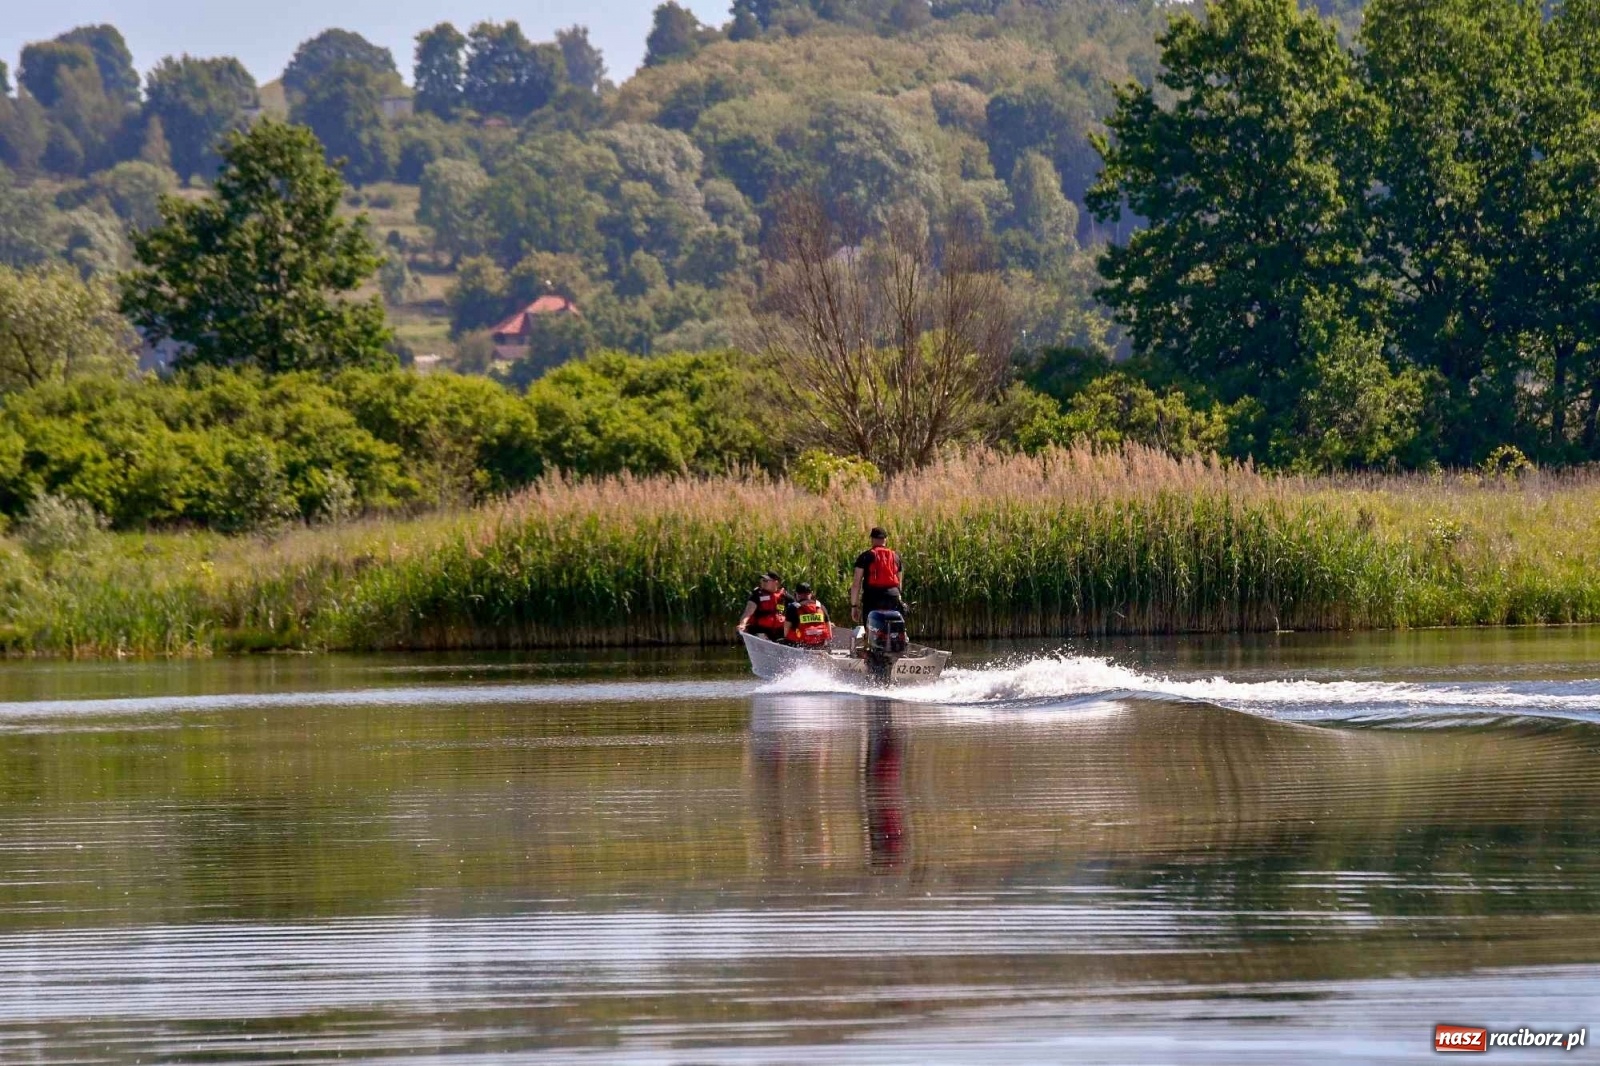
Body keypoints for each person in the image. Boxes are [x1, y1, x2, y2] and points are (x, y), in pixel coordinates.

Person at [850, 527, 904, 624]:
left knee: (872, 630)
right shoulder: (896, 557)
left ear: (872, 539)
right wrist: (899, 599)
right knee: (892, 627)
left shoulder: (865, 556)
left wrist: (854, 606)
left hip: (872, 597)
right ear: (885, 539)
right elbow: (899, 583)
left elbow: (856, 584)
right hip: (893, 596)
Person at [738, 571, 789, 640]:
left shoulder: (783, 595)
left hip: (777, 631)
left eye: (766, 580)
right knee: (761, 635)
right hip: (760, 630)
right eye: (762, 580)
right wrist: (742, 624)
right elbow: (747, 612)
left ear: (775, 582)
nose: (763, 582)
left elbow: (797, 608)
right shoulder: (757, 595)